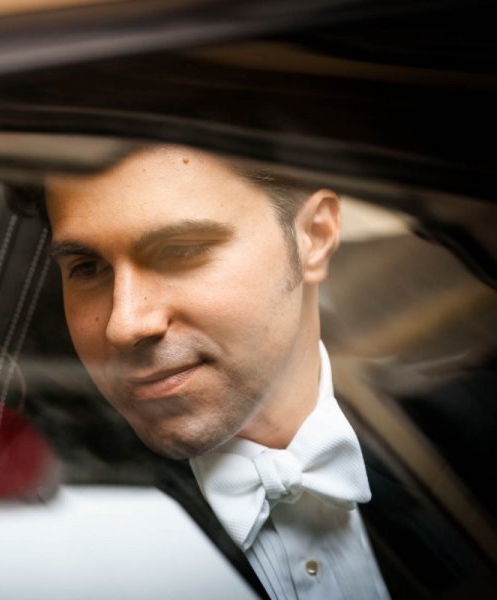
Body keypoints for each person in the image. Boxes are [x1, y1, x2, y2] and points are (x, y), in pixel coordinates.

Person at [41, 144, 389, 599]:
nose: (124, 324)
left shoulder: (466, 437)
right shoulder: (46, 539)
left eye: (180, 251)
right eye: (87, 268)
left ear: (315, 237)